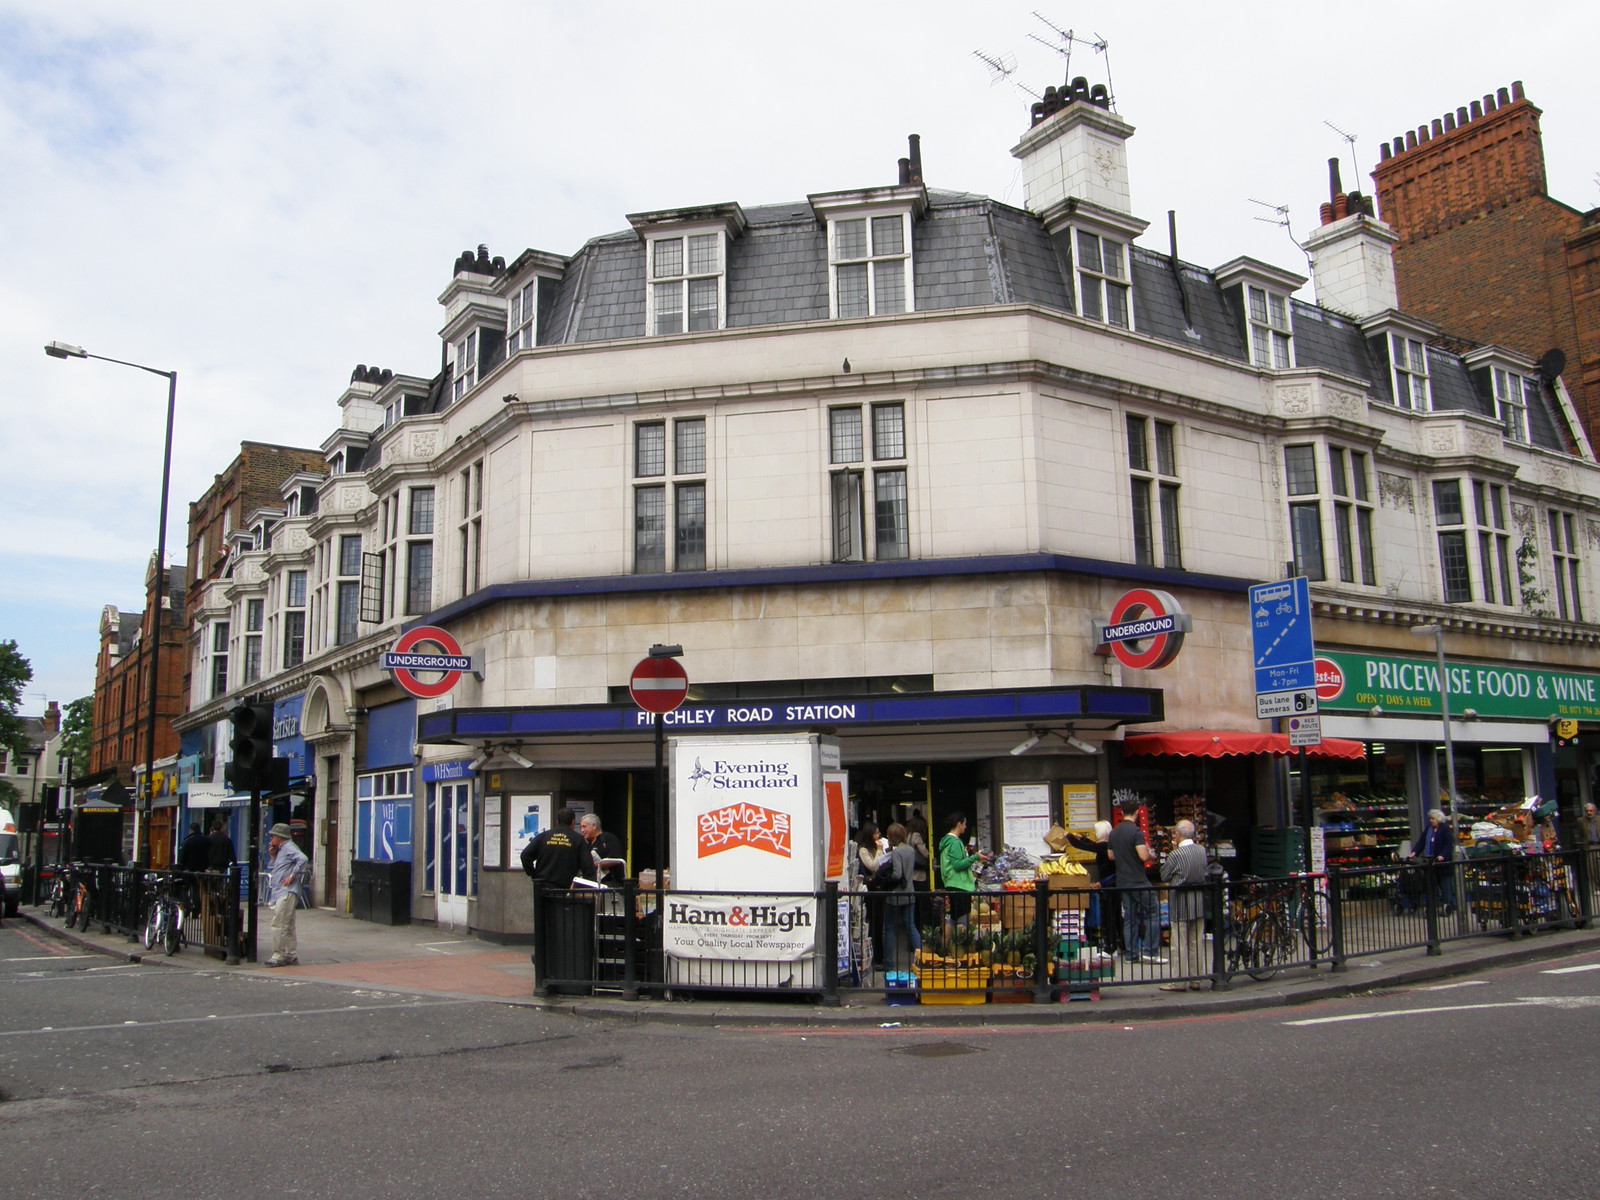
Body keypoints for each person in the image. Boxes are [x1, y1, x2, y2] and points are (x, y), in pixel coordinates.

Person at [1107, 797, 1161, 963]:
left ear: (1122, 812)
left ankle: (1131, 955)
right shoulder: (1136, 832)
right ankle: (1150, 951)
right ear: (1137, 812)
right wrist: (1151, 854)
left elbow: (1110, 855)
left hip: (1123, 880)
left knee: (1129, 918)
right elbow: (1143, 855)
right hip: (1138, 879)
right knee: (1153, 912)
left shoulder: (1114, 832)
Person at [1158, 819, 1207, 991]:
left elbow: (1164, 875)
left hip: (1180, 903)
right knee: (1196, 942)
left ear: (1177, 834)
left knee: (1179, 943)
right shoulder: (1202, 851)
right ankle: (1196, 978)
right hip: (1198, 901)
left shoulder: (1176, 855)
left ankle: (1178, 981)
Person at [1066, 819, 1121, 955]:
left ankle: (1111, 946)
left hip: (1109, 884)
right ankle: (1120, 944)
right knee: (1116, 915)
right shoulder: (1108, 845)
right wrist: (1083, 838)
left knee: (1109, 916)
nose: (1094, 834)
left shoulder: (1104, 846)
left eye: (1095, 831)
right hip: (1112, 883)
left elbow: (1087, 847)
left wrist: (1069, 837)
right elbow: (1093, 845)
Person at [264, 823, 308, 967]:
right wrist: (272, 856)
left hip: (287, 891)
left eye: (273, 836)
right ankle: (291, 955)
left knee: (278, 923)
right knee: (288, 925)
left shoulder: (289, 847)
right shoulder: (282, 850)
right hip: (281, 891)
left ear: (280, 837)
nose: (271, 839)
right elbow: (276, 868)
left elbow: (303, 859)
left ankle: (279, 955)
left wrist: (292, 876)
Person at [520, 807, 595, 891]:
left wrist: (534, 875)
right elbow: (588, 867)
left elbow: (525, 856)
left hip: (543, 887)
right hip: (566, 889)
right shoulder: (578, 840)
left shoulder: (543, 836)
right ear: (573, 822)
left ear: (557, 821)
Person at [880, 823, 921, 972]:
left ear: (892, 837)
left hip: (896, 894)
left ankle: (889, 963)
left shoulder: (896, 853)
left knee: (889, 928)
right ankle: (921, 959)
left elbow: (897, 874)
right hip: (910, 892)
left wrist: (886, 879)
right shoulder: (910, 850)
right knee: (911, 926)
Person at [937, 812, 989, 931]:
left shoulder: (947, 841)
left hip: (952, 882)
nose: (965, 826)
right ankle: (961, 945)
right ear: (959, 824)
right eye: (964, 824)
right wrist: (975, 857)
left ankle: (946, 946)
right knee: (962, 919)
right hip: (959, 884)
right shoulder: (955, 843)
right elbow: (958, 865)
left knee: (953, 917)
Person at [1412, 807, 1456, 912]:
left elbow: (1448, 844)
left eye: (1433, 819)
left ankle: (1448, 903)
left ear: (1439, 819)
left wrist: (1442, 855)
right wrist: (1414, 852)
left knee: (1446, 885)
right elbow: (1422, 842)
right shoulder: (1429, 829)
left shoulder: (1444, 829)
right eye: (1430, 819)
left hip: (1443, 863)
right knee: (1431, 884)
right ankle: (1434, 904)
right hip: (1431, 863)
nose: (1431, 821)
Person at [578, 813, 625, 886]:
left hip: (611, 885)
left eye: (584, 827)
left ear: (594, 826)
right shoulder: (587, 845)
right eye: (581, 827)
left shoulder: (607, 838)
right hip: (595, 885)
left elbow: (616, 860)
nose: (582, 830)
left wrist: (594, 865)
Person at [906, 808, 933, 929]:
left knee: (914, 906)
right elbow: (925, 853)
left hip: (911, 874)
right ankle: (923, 929)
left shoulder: (908, 835)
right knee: (923, 905)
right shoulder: (916, 836)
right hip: (919, 875)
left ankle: (915, 928)